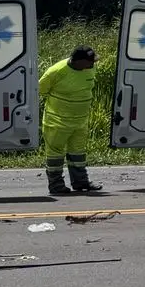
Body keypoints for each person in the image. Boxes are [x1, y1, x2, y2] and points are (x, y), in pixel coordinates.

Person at [40, 46, 101, 195]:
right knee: (55, 155)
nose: (93, 64)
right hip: (57, 122)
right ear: (78, 61)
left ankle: (81, 183)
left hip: (80, 121)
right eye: (90, 62)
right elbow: (40, 90)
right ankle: (56, 186)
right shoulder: (56, 72)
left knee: (78, 154)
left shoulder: (89, 69)